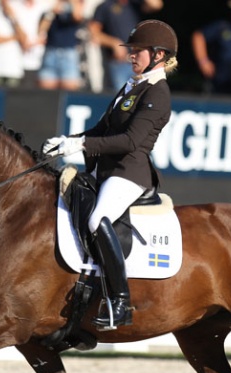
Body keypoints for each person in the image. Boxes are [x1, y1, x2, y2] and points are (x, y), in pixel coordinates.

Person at [42, 19, 177, 328]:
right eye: (131, 51)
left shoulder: (158, 92)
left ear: (158, 55)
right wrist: (67, 142)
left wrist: (80, 144)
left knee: (95, 219)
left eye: (138, 51)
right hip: (105, 170)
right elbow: (101, 130)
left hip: (128, 173)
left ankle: (120, 302)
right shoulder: (131, 86)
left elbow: (130, 141)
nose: (131, 56)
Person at [88, 0, 162, 91]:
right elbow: (93, 33)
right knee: (121, 97)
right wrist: (113, 43)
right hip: (118, 63)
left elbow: (156, 5)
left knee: (140, 96)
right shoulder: (105, 6)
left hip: (140, 61)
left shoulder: (135, 5)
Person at [37, 0, 84, 91]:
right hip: (51, 53)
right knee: (46, 91)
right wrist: (52, 12)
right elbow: (41, 30)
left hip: (69, 54)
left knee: (69, 91)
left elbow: (78, 17)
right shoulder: (49, 8)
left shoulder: (74, 6)